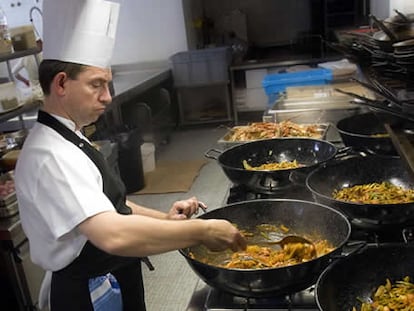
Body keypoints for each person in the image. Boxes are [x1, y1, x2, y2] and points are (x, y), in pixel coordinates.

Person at [14, 0, 247, 310]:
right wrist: (201, 231)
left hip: (112, 277)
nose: (108, 97)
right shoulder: (50, 154)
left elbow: (109, 205)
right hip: (89, 294)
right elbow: (112, 235)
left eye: (108, 84)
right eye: (96, 85)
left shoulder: (69, 134)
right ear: (61, 84)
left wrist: (166, 220)